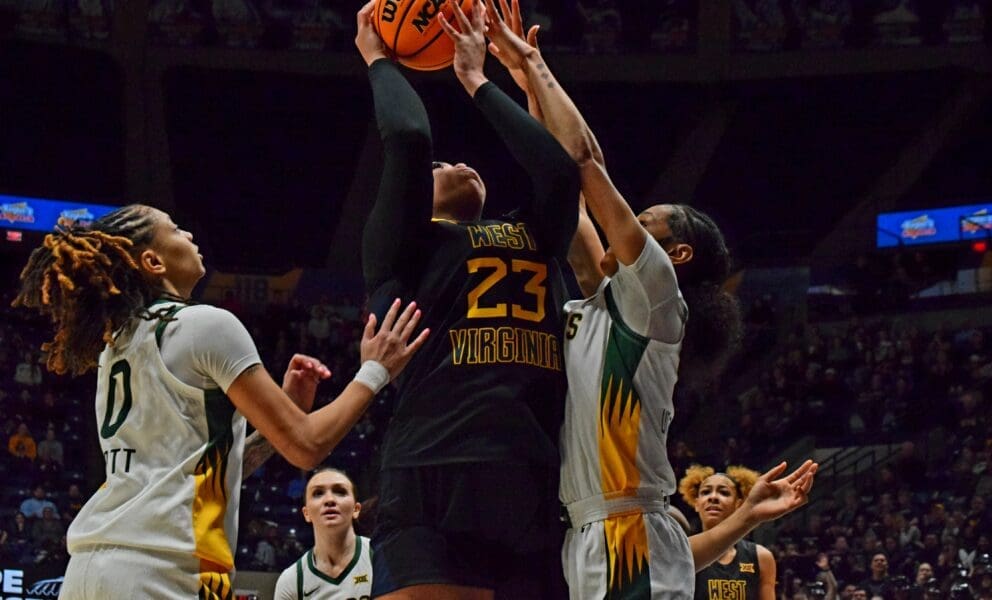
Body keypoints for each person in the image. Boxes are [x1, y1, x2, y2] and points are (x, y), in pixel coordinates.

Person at [480, 1, 816, 597]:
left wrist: (534, 63)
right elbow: (565, 190)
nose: (631, 219)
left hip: (627, 531)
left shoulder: (658, 292)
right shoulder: (614, 300)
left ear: (676, 254)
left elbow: (585, 163)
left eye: (646, 220)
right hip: (596, 530)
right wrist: (527, 89)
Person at [13, 204, 428, 600]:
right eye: (175, 229)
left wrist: (281, 415)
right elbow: (307, 446)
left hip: (89, 570)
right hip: (165, 572)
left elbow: (203, 469)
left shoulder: (117, 346)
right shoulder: (205, 324)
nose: (189, 234)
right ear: (153, 262)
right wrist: (374, 371)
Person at [354, 1, 580, 598]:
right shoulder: (403, 247)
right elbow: (408, 136)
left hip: (530, 471)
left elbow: (561, 173)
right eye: (440, 166)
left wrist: (479, 80)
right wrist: (379, 59)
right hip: (434, 466)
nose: (455, 161)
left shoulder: (533, 232)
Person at [679, 465, 779, 600]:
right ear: (696, 503)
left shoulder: (761, 557)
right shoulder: (683, 553)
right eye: (706, 492)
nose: (713, 497)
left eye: (724, 492)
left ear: (739, 504)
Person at [274, 468, 372, 600]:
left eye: (340, 492)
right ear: (306, 513)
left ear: (356, 509)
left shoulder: (379, 557)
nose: (329, 499)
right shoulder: (291, 581)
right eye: (318, 493)